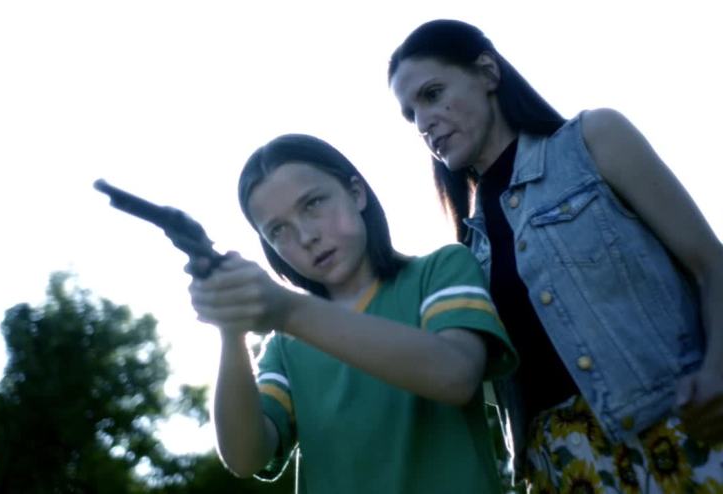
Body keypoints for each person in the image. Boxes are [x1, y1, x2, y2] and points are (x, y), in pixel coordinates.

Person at [387, 19, 723, 493]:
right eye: (411, 114)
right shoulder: (466, 252)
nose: (424, 123)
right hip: (562, 470)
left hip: (681, 434)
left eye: (432, 94)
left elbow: (711, 264)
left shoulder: (594, 140)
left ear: (487, 73)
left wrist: (718, 370)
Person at [182, 133, 518, 494]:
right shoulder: (285, 345)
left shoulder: (441, 269)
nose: (306, 236)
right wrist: (231, 328)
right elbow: (245, 457)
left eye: (312, 204)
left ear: (356, 193)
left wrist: (289, 310)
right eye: (278, 230)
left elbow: (456, 375)